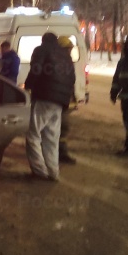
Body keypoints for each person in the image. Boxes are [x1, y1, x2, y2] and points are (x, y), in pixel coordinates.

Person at [23, 32, 75, 181]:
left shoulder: (41, 50)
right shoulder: (65, 55)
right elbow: (72, 78)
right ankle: (53, 172)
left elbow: (36, 69)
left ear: (43, 40)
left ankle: (39, 171)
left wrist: (28, 86)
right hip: (60, 102)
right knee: (51, 137)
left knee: (33, 134)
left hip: (44, 97)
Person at [57, 35, 77, 164]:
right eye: (68, 48)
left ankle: (59, 152)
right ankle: (60, 153)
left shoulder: (66, 60)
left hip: (64, 99)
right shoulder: (60, 61)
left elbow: (71, 81)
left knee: (63, 127)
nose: (70, 51)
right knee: (62, 127)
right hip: (60, 100)